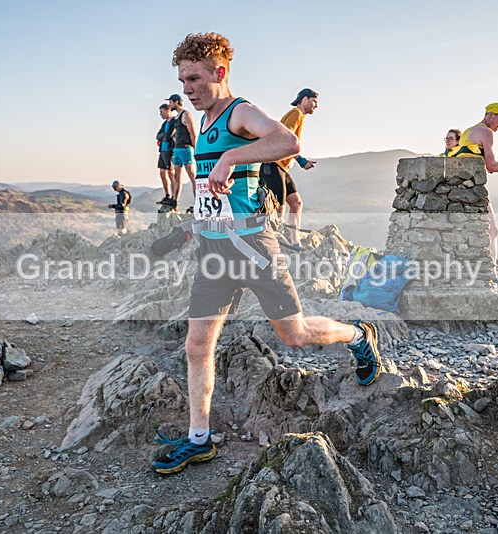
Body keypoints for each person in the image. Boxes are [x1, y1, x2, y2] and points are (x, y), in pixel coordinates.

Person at [151, 32, 384, 475]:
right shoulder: (203, 121)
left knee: (293, 335)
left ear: (220, 73)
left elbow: (286, 143)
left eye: (195, 78)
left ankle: (358, 337)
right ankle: (199, 439)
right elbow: (214, 191)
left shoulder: (241, 111)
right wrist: (193, 225)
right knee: (197, 345)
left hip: (255, 246)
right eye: (182, 80)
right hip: (215, 250)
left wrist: (230, 160)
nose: (187, 88)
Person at [448, 103, 498, 266]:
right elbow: (491, 167)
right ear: (491, 115)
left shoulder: (469, 131)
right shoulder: (486, 132)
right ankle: (491, 272)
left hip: (457, 186)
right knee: (492, 229)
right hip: (472, 188)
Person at [259, 88, 319, 250]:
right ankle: (275, 239)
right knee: (279, 205)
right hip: (272, 164)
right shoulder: (296, 114)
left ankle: (295, 242)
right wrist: (301, 160)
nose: (316, 105)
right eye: (314, 101)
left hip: (281, 166)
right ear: (305, 99)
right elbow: (285, 138)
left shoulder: (299, 117)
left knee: (296, 202)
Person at [168, 93, 197, 210]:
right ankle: (175, 201)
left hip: (186, 148)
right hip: (177, 149)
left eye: (170, 102)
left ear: (176, 102)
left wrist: (196, 151)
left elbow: (193, 134)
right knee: (177, 177)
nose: (169, 105)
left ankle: (198, 203)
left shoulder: (186, 114)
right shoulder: (176, 118)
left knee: (192, 177)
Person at [156, 103, 176, 207]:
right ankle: (167, 195)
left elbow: (168, 136)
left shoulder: (174, 121)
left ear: (167, 110)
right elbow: (158, 136)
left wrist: (163, 136)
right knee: (162, 173)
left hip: (170, 150)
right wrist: (163, 136)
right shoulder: (164, 124)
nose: (160, 114)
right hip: (162, 151)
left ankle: (174, 196)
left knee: (171, 174)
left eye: (161, 112)